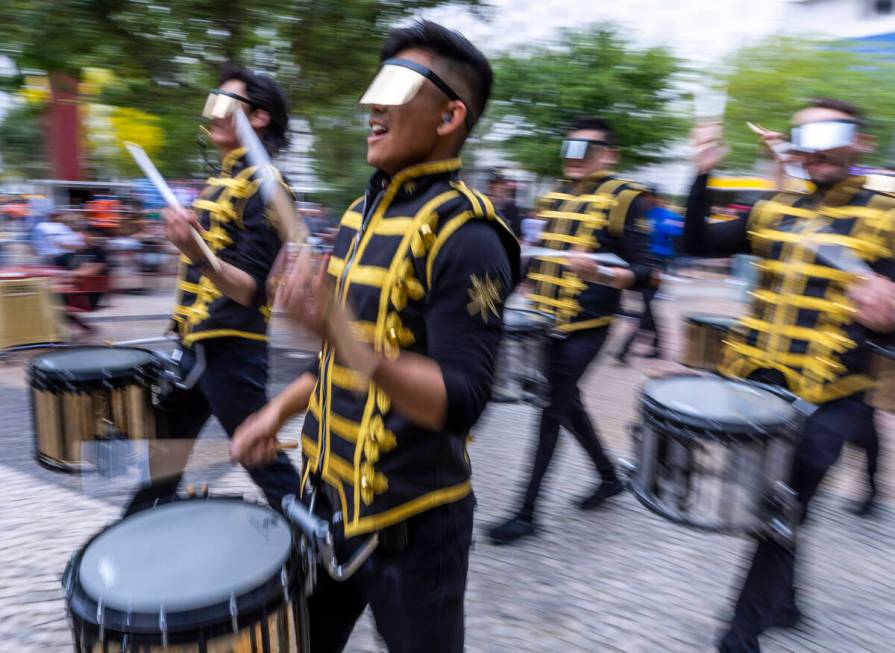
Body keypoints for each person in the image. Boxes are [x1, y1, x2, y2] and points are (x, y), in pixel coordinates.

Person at [232, 21, 518, 652]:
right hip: (325, 503)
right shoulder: (360, 217)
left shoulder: (471, 238)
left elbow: (463, 399)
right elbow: (340, 361)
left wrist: (339, 329)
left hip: (415, 532)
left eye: (397, 87)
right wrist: (274, 411)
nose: (372, 104)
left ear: (449, 116)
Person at [684, 98, 895, 653]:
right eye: (805, 136)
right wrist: (702, 173)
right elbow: (697, 243)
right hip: (762, 389)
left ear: (860, 143)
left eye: (832, 135)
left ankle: (740, 634)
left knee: (781, 506)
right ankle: (791, 602)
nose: (817, 148)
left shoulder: (890, 217)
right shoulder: (771, 208)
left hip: (834, 399)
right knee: (775, 505)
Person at [123, 62, 301, 515]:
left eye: (225, 103)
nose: (213, 112)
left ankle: (323, 547)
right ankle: (135, 544)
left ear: (257, 117)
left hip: (231, 354)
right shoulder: (221, 179)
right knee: (159, 468)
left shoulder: (267, 186)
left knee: (267, 467)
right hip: (192, 350)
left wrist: (196, 250)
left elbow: (251, 291)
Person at [487, 117, 655, 545]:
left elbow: (645, 272)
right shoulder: (553, 197)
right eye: (570, 149)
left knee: (551, 409)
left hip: (589, 325)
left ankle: (526, 512)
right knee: (567, 403)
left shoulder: (627, 199)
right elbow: (534, 259)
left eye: (587, 149)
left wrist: (598, 269)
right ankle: (608, 476)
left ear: (609, 155)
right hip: (545, 321)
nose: (574, 158)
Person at [614, 188, 682, 363]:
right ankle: (658, 346)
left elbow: (680, 237)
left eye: (645, 196)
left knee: (647, 307)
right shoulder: (641, 214)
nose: (642, 199)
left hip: (656, 264)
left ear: (654, 197)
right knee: (648, 308)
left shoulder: (666, 216)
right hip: (639, 264)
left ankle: (624, 349)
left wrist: (663, 264)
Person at [487, 169, 524, 239]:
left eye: (499, 183)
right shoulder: (483, 204)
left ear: (505, 186)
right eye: (492, 183)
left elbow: (517, 234)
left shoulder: (512, 208)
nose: (495, 187)